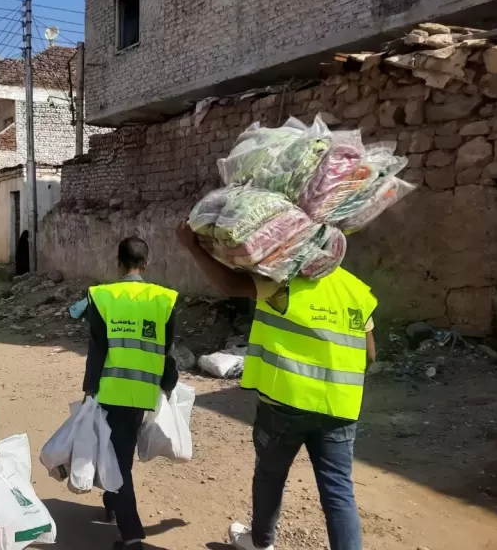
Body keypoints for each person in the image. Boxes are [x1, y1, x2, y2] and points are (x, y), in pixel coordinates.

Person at [176, 222, 376, 550]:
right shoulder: (358, 291)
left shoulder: (283, 282)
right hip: (339, 408)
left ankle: (261, 543)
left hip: (285, 403)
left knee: (271, 475)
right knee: (339, 492)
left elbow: (228, 284)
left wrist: (194, 247)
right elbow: (368, 355)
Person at [83, 237, 179, 550]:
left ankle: (132, 535)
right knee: (119, 456)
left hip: (112, 392)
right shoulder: (164, 299)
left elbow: (97, 349)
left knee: (119, 462)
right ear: (145, 264)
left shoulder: (103, 297)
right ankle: (112, 502)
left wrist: (89, 390)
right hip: (145, 394)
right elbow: (165, 350)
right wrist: (168, 384)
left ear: (119, 262)